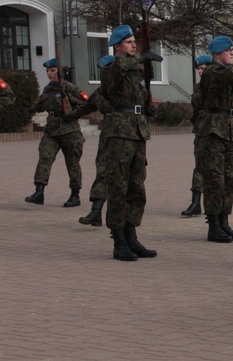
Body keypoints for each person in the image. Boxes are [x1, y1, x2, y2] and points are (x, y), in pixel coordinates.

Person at [100, 25, 161, 261]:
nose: (134, 45)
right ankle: (119, 241)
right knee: (118, 186)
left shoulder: (136, 71)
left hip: (137, 130)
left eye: (135, 41)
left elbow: (143, 95)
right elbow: (116, 73)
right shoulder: (111, 68)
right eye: (128, 42)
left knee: (137, 186)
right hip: (119, 133)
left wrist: (149, 107)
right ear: (117, 46)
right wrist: (140, 58)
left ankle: (132, 236)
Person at [196, 36, 233, 243]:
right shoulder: (212, 72)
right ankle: (214, 225)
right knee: (215, 179)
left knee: (229, 179)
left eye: (232, 50)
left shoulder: (227, 73)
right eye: (228, 51)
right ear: (217, 54)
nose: (231, 53)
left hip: (228, 128)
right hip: (213, 130)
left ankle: (224, 221)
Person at [24, 58, 89, 207]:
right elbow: (40, 104)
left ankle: (75, 195)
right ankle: (39, 192)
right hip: (52, 131)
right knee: (44, 158)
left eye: (52, 70)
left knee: (72, 163)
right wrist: (25, 110)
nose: (49, 73)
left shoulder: (70, 87)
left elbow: (87, 104)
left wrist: (71, 109)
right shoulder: (48, 89)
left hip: (70, 131)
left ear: (59, 72)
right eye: (47, 71)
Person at [77, 57, 115, 227]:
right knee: (103, 169)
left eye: (107, 69)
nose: (104, 73)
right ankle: (96, 211)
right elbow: (88, 106)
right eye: (102, 70)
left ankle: (124, 219)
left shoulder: (127, 87)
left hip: (128, 137)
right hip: (108, 135)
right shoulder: (101, 91)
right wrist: (70, 116)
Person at [181, 55, 212, 217]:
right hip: (202, 131)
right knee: (199, 166)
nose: (200, 72)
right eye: (199, 69)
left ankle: (216, 208)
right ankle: (195, 202)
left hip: (216, 130)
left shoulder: (218, 84)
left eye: (203, 68)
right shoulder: (198, 88)